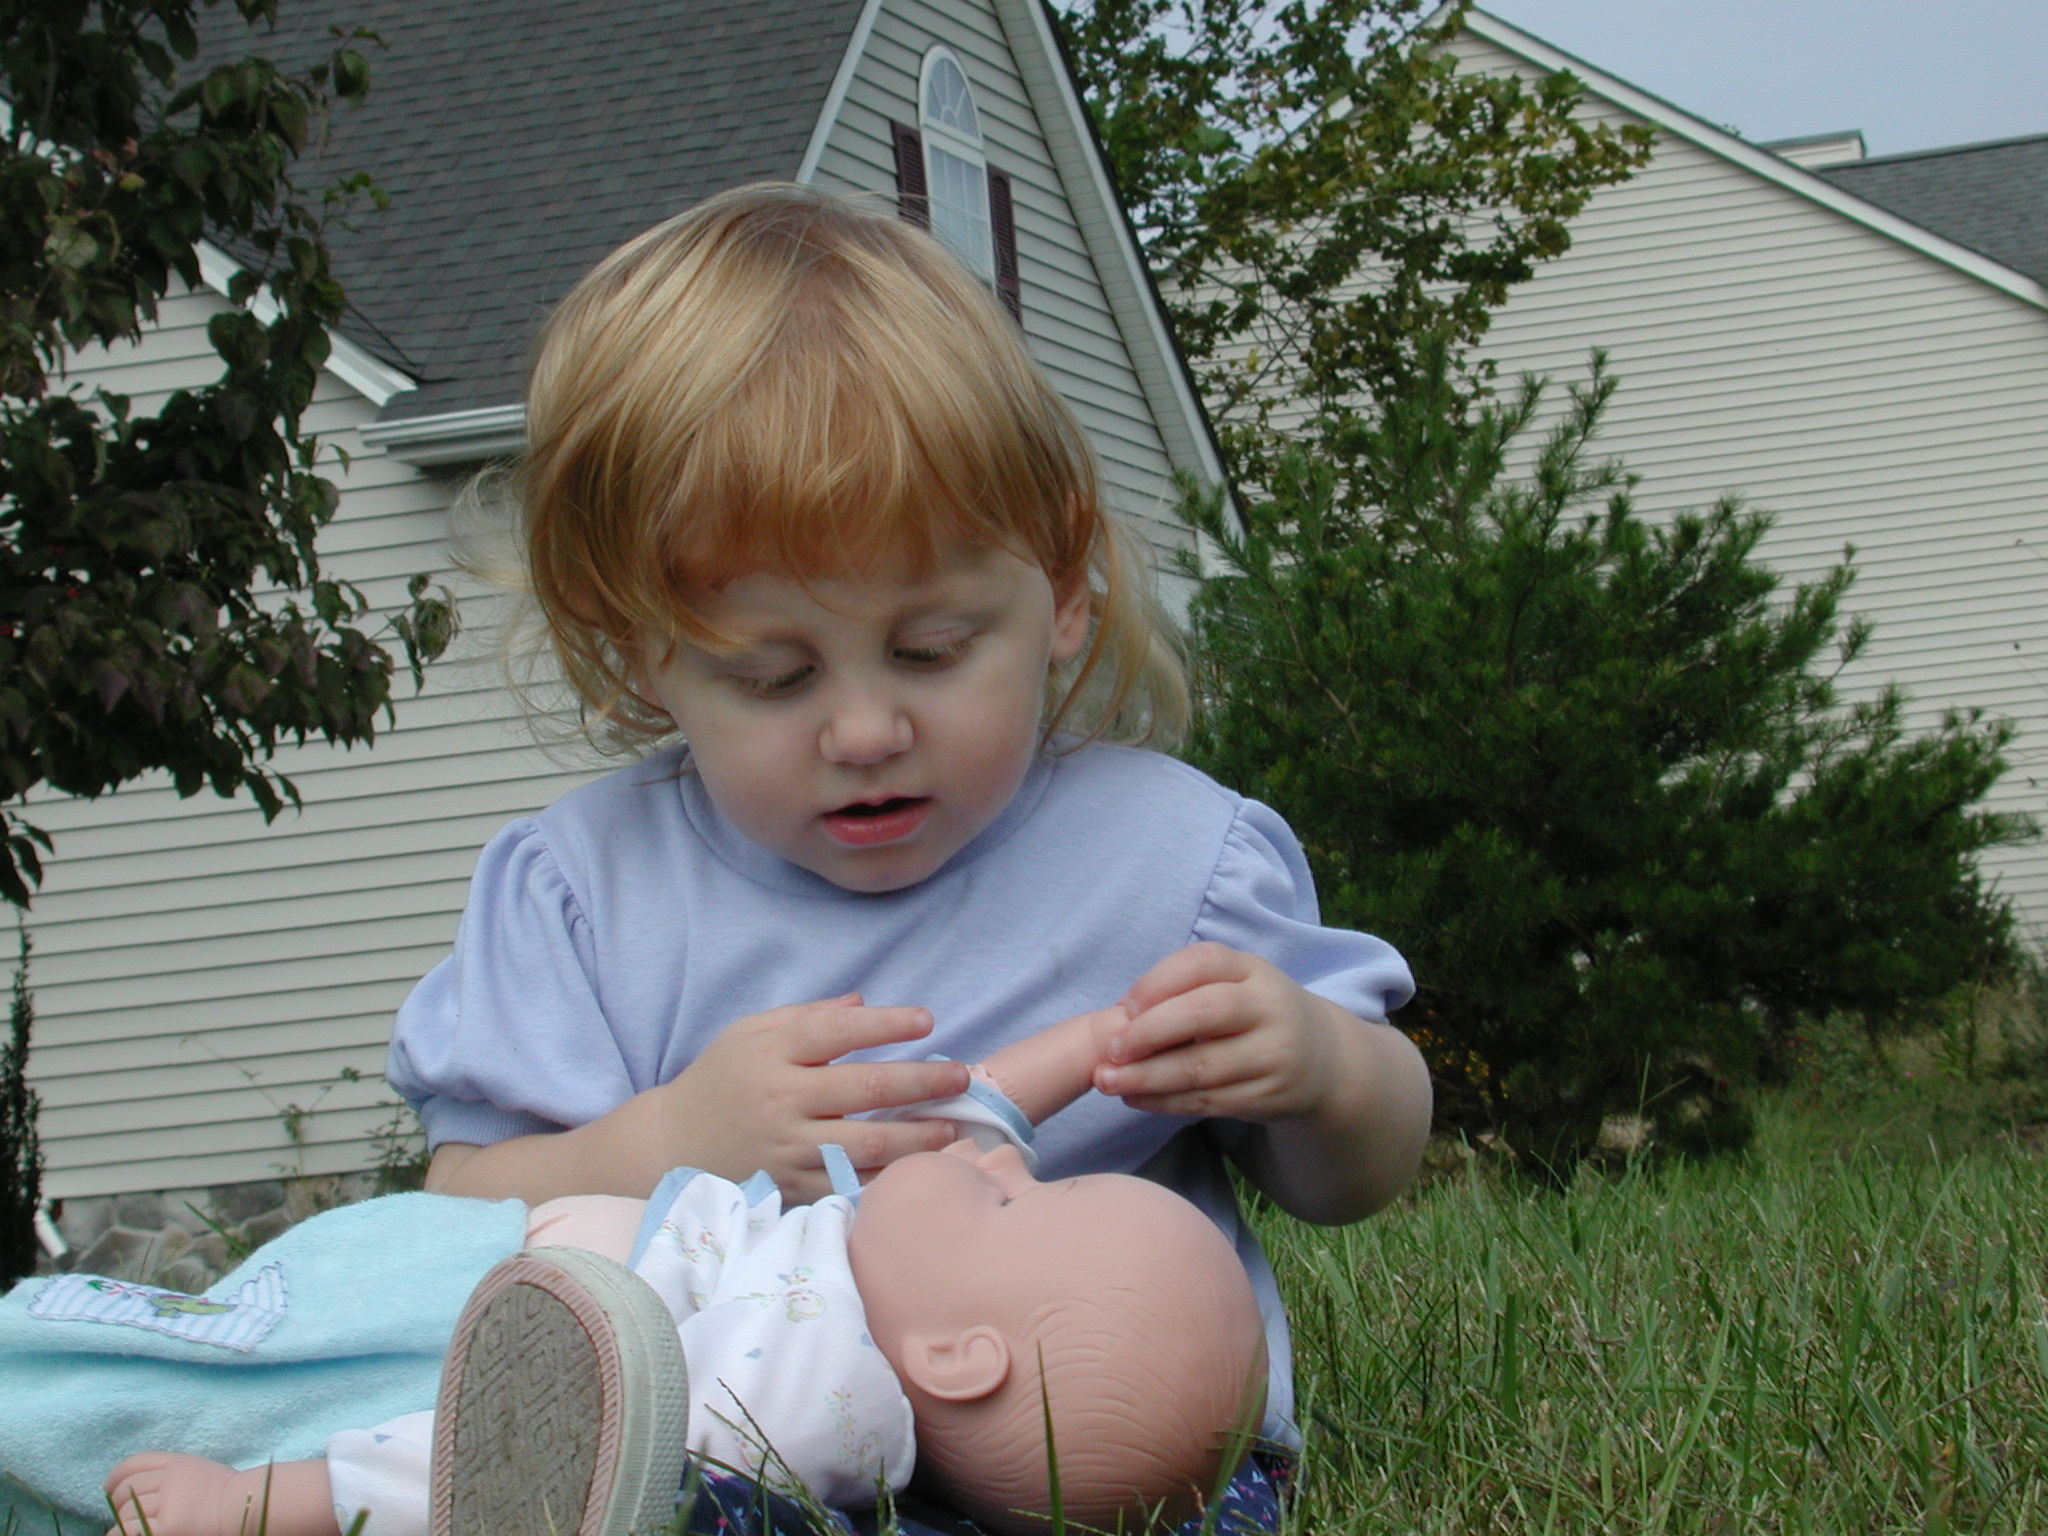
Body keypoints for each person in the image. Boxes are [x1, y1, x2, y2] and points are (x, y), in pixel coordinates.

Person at [100, 179, 1429, 1531]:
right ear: (636, 655)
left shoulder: (1173, 856)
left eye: (931, 649)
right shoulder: (587, 894)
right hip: (717, 1460)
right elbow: (461, 1210)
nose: (865, 731)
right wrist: (672, 1138)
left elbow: (1349, 1177)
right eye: (773, 677)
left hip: (1101, 1480)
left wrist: (1325, 1075)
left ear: (1064, 588)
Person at [90, 1015, 1270, 1536]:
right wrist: (1102, 1041)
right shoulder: (894, 1271)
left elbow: (529, 1451)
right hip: (496, 1253)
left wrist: (259, 1505)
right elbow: (984, 1116)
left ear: (958, 1359)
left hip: (479, 1337)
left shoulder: (802, 1396)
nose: (1005, 1165)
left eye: (1021, 1200)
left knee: (225, 1350)